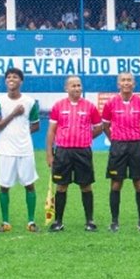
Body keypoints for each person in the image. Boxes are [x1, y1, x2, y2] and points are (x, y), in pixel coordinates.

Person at [46, 75, 103, 232]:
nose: (77, 88)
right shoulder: (58, 106)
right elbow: (51, 131)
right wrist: (49, 154)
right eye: (73, 86)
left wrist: (85, 136)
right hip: (63, 151)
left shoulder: (90, 107)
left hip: (82, 151)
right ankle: (58, 222)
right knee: (61, 186)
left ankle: (90, 221)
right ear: (66, 88)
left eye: (79, 85)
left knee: (85, 186)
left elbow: (99, 127)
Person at [0, 67, 42, 232]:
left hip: (25, 150)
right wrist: (13, 113)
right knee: (4, 186)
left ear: (21, 81)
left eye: (15, 77)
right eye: (9, 77)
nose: (11, 79)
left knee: (29, 185)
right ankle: (5, 222)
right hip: (6, 151)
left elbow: (36, 125)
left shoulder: (30, 102)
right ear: (5, 81)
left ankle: (31, 222)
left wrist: (22, 134)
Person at [101, 71, 140, 232]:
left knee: (139, 184)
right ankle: (114, 221)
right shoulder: (110, 103)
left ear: (134, 84)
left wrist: (135, 137)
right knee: (116, 183)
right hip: (118, 147)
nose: (126, 83)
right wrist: (116, 139)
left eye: (129, 80)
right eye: (123, 80)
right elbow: (106, 126)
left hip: (136, 146)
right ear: (118, 84)